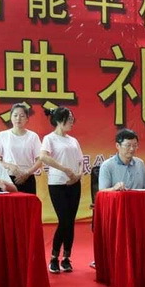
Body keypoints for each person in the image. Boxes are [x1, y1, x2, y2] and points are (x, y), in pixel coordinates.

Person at [40, 106, 83, 274]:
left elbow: (80, 161)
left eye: (72, 119)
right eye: (69, 119)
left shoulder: (73, 140)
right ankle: (53, 257)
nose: (72, 122)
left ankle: (66, 257)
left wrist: (77, 175)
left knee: (70, 221)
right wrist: (65, 169)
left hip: (74, 183)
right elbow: (44, 157)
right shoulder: (49, 139)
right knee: (64, 220)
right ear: (59, 120)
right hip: (58, 184)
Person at [0, 103, 42, 194]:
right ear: (11, 117)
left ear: (27, 119)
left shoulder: (33, 136)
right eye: (15, 115)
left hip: (28, 178)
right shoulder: (2, 135)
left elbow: (40, 160)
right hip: (7, 178)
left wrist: (27, 173)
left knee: (27, 203)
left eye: (22, 116)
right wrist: (9, 166)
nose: (18, 118)